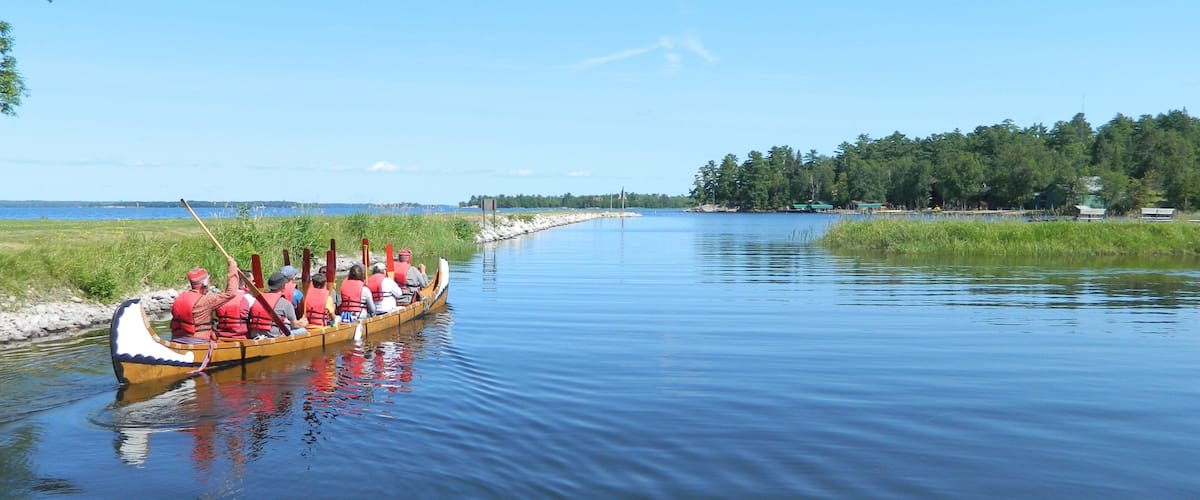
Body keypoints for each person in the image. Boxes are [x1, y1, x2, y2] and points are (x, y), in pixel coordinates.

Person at [170, 257, 240, 343]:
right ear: (205, 283)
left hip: (175, 339)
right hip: (197, 342)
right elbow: (231, 293)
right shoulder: (206, 301)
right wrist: (233, 268)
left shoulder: (179, 298)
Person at [248, 272, 308, 339]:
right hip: (273, 336)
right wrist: (304, 323)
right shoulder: (285, 303)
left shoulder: (258, 299)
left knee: (287, 326)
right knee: (304, 331)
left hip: (254, 334)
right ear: (283, 286)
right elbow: (295, 325)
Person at [214, 272, 254, 340]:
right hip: (241, 337)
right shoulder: (249, 299)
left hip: (221, 337)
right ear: (246, 285)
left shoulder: (220, 297)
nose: (254, 284)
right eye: (252, 281)